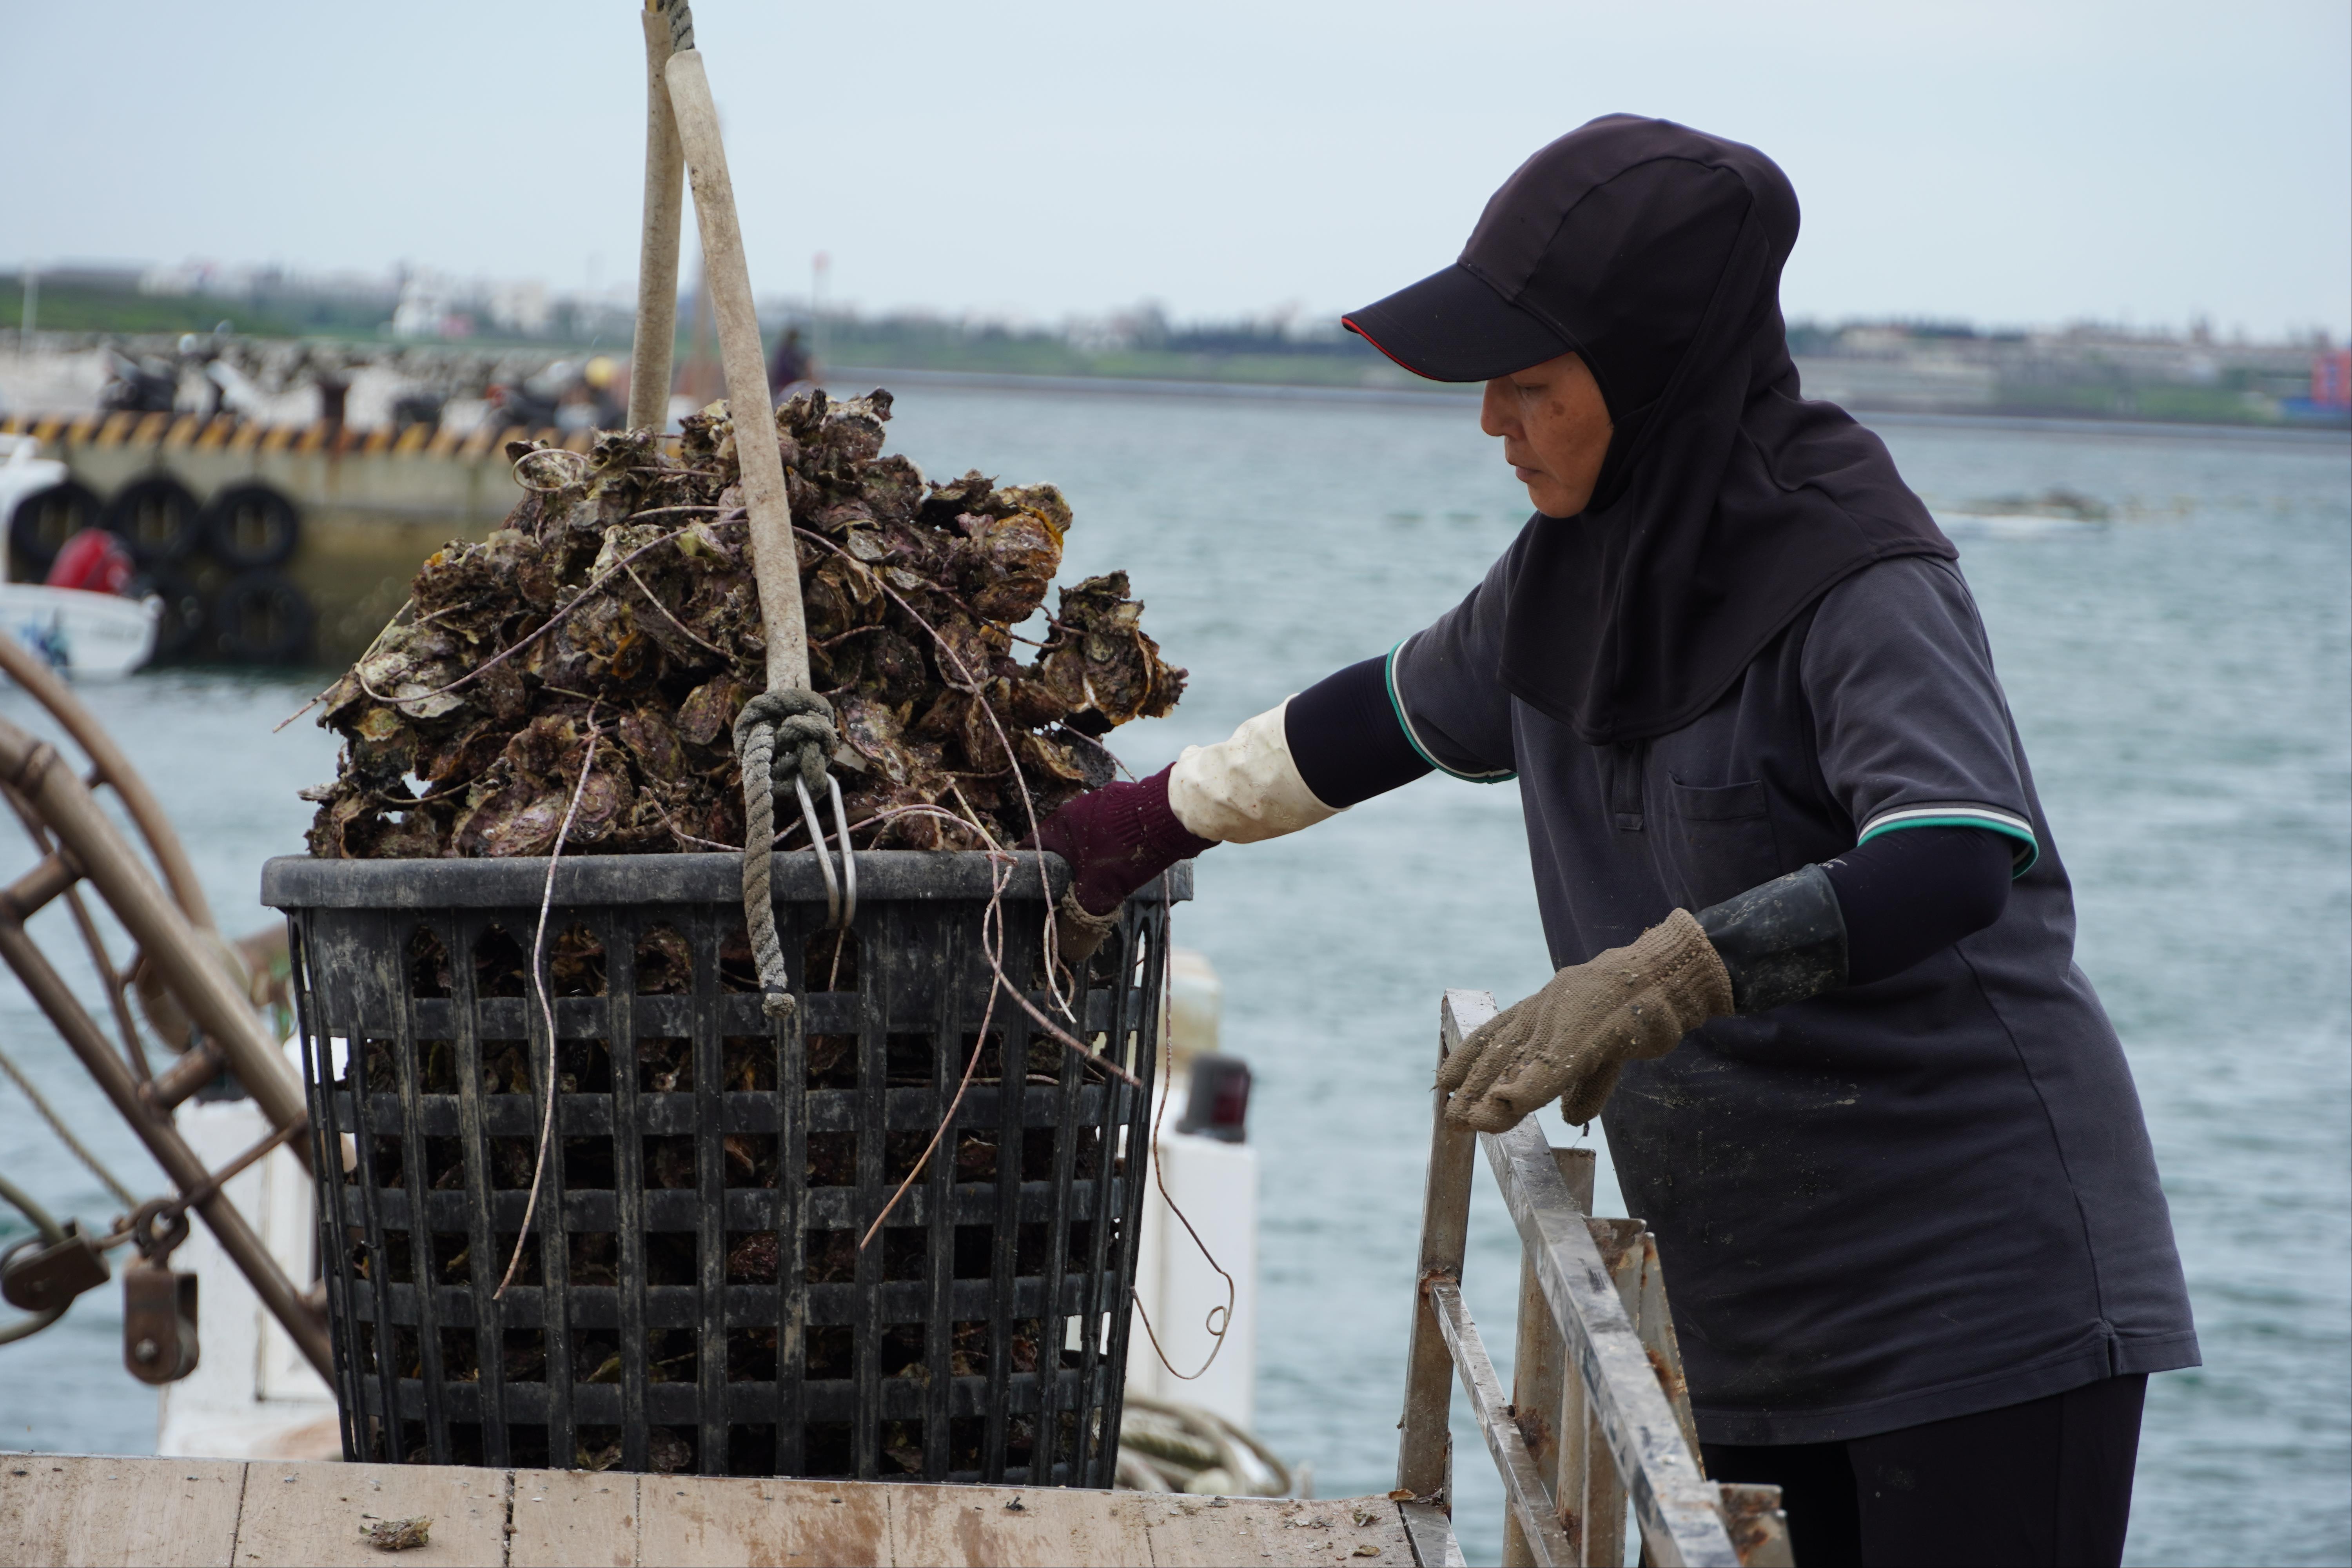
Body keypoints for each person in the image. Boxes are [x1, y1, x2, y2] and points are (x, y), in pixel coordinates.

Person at [1029, 116, 2195, 1568]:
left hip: (1981, 1300)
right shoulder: (1577, 567)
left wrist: (1660, 977)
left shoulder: (1859, 573)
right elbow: (1373, 721)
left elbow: (1953, 853)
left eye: (1528, 386)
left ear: (1652, 380)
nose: (1491, 424)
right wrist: (1107, 829)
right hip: (1753, 1303)